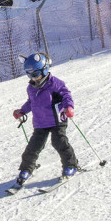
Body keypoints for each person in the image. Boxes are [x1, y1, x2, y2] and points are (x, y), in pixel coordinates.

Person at [10, 53, 79, 187]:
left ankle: (71, 165)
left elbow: (66, 95)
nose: (33, 78)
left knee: (59, 142)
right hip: (40, 122)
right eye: (29, 75)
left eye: (35, 74)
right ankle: (26, 169)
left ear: (44, 69)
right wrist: (22, 111)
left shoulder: (55, 84)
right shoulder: (31, 88)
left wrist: (68, 107)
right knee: (33, 147)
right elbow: (31, 102)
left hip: (57, 119)